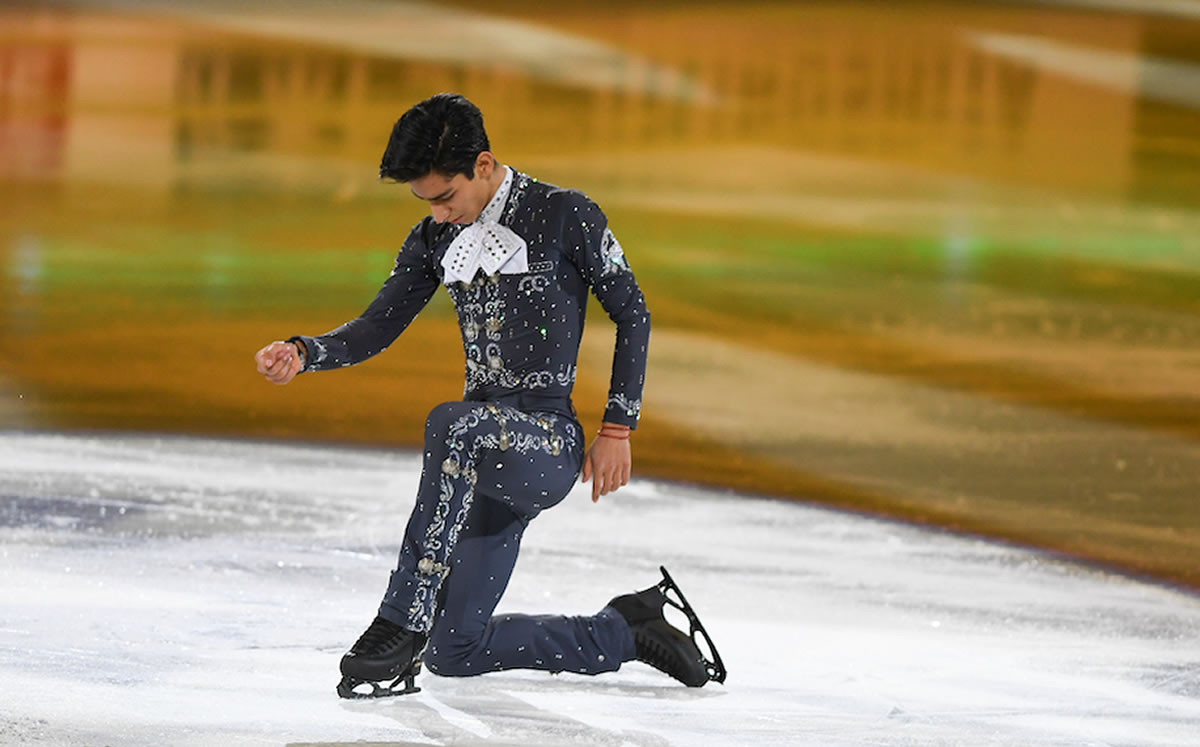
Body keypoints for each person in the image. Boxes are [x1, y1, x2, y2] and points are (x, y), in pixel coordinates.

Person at [253, 93, 725, 698]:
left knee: (453, 423)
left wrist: (617, 428)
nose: (439, 215)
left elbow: (633, 313)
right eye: (425, 202)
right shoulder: (432, 238)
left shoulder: (565, 214)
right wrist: (306, 351)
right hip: (477, 458)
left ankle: (401, 619)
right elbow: (379, 324)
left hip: (545, 442)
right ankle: (625, 631)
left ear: (482, 165)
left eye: (445, 198)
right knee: (455, 652)